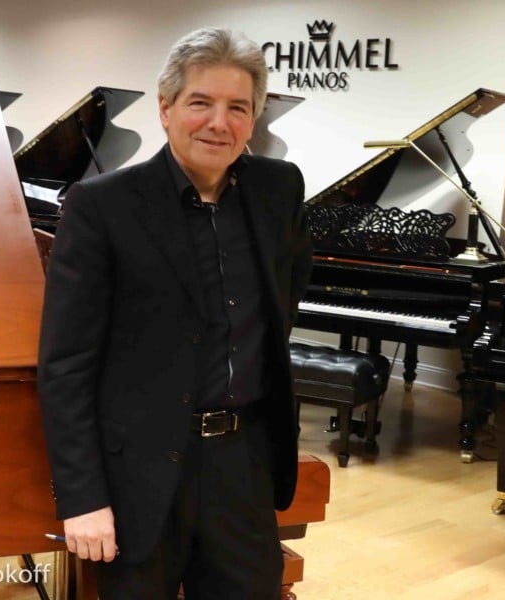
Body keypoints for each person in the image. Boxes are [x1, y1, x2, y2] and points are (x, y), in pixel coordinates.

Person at [37, 27, 313, 599]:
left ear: (253, 118)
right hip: (139, 475)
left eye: (238, 107)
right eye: (200, 103)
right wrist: (83, 498)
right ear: (165, 109)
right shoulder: (102, 206)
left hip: (243, 465)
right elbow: (66, 364)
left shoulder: (279, 189)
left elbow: (281, 305)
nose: (219, 123)